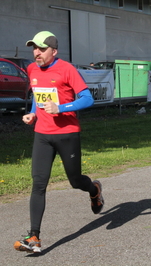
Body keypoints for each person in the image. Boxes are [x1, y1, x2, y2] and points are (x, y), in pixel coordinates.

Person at [14, 31, 104, 254]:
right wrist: (33, 113)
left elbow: (87, 98)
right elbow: (38, 95)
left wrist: (61, 108)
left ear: (54, 51)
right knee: (38, 184)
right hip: (42, 134)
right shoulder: (32, 69)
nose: (37, 53)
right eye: (34, 48)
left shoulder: (66, 69)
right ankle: (34, 236)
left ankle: (94, 189)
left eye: (42, 49)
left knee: (75, 181)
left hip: (67, 134)